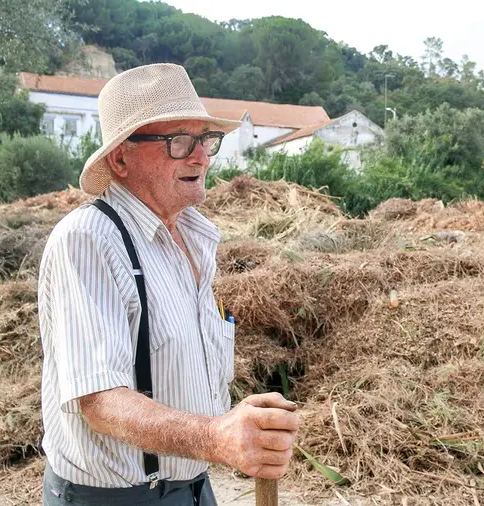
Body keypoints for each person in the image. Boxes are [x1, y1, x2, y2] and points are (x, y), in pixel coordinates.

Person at [38, 63, 300, 505]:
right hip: (114, 499)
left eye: (206, 140)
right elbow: (100, 401)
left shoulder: (195, 239)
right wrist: (218, 437)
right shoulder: (88, 240)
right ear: (121, 158)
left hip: (194, 488)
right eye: (178, 141)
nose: (201, 157)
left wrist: (238, 429)